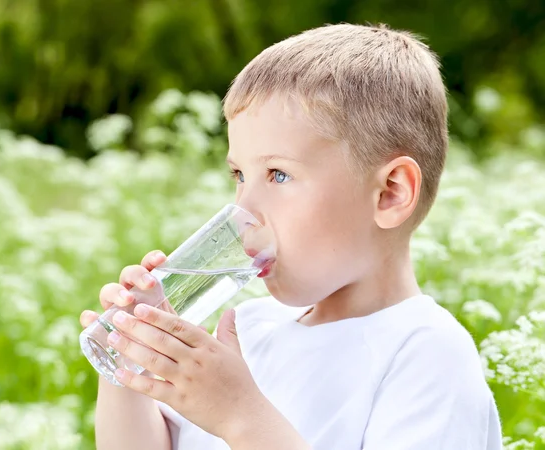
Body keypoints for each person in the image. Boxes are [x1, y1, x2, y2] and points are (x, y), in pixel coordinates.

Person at [80, 23, 504, 450]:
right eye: (239, 175)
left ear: (390, 193)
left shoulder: (426, 354)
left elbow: (243, 418)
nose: (244, 210)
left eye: (278, 174)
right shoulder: (248, 331)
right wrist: (129, 362)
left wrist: (242, 417)